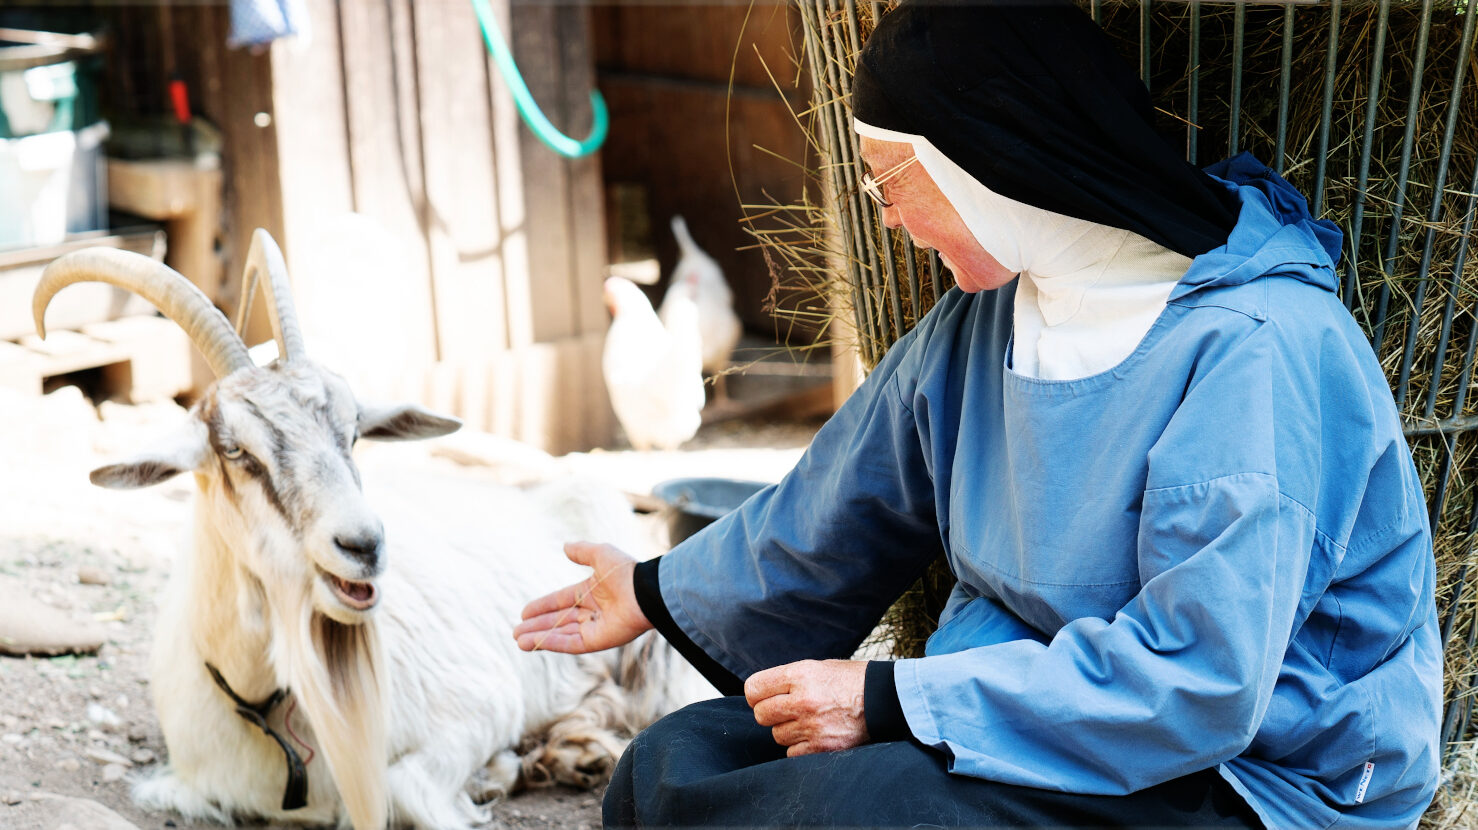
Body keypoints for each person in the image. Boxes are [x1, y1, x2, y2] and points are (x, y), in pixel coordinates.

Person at [514, 2, 1442, 827]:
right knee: (679, 763)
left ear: (986, 161)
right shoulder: (991, 314)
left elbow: (1199, 683)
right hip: (1010, 710)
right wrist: (648, 591)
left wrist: (888, 703)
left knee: (864, 814)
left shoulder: (1256, 347)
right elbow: (846, 495)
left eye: (890, 181)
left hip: (1247, 774)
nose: (885, 218)